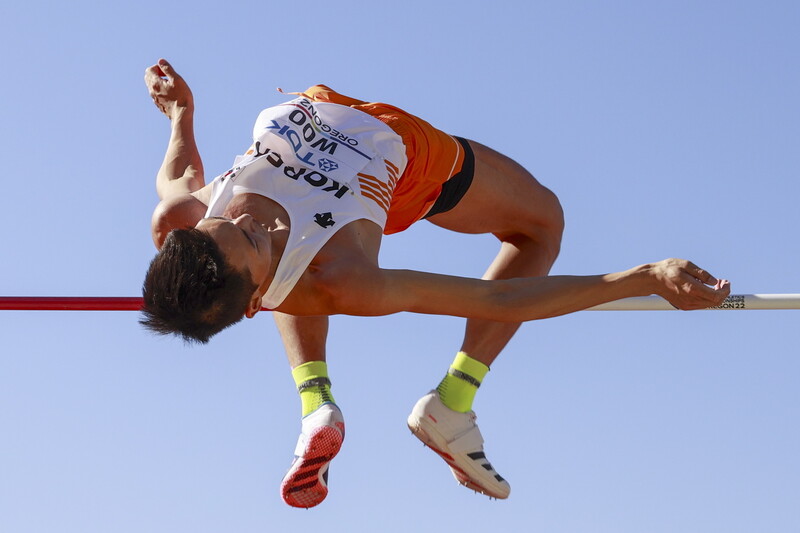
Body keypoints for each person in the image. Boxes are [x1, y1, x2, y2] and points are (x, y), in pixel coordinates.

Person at [141, 59, 730, 508]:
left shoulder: (183, 219)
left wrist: (180, 116)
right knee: (541, 222)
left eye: (225, 223)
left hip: (322, 105)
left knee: (279, 265)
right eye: (251, 242)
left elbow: (180, 175)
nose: (247, 220)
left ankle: (318, 404)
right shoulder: (346, 280)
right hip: (411, 158)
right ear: (254, 299)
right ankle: (453, 401)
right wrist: (642, 278)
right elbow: (498, 299)